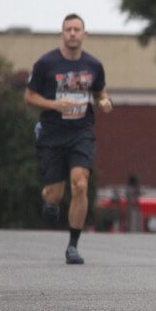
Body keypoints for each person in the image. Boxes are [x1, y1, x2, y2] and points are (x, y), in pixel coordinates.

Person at [24, 13, 113, 264]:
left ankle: (73, 245)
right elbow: (29, 97)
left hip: (81, 133)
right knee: (54, 193)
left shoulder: (93, 65)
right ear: (62, 34)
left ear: (84, 34)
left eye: (77, 29)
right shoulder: (46, 63)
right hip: (52, 134)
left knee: (80, 184)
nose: (72, 33)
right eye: (68, 29)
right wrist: (54, 104)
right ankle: (50, 202)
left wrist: (104, 102)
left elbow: (100, 92)